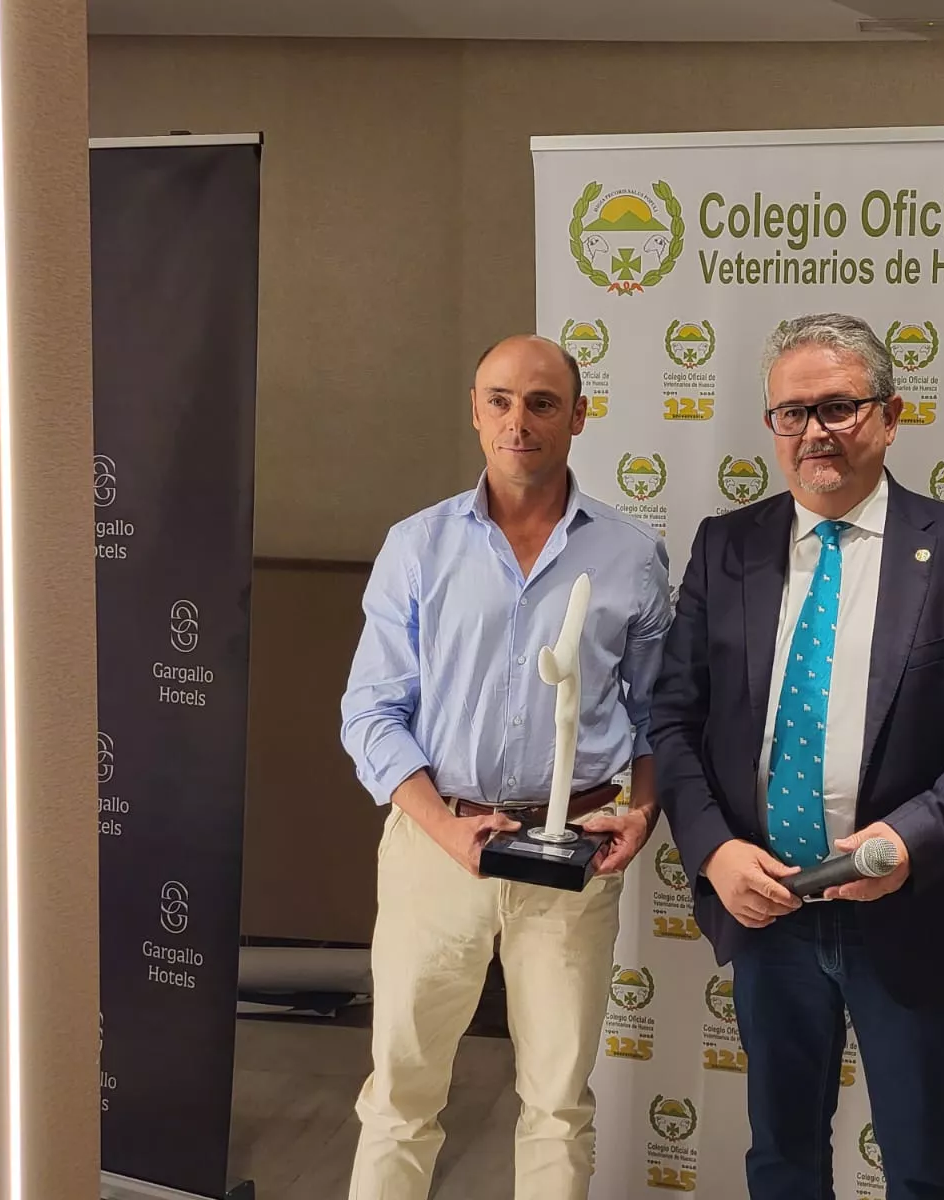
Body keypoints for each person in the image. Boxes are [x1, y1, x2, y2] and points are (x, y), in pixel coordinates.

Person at [649, 313, 944, 1200]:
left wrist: (908, 843)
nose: (814, 431)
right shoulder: (729, 548)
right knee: (783, 1158)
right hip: (768, 912)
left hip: (913, 913)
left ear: (890, 416)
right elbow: (674, 720)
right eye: (792, 413)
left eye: (838, 406)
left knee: (924, 1165)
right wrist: (714, 852)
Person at [339, 334, 672, 1200]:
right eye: (499, 400)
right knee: (400, 1098)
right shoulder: (416, 547)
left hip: (575, 857)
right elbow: (371, 712)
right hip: (434, 845)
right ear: (475, 409)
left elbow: (657, 716)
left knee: (557, 1105)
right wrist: (444, 828)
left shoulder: (632, 558)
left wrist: (641, 812)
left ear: (579, 416)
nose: (517, 421)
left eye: (542, 402)